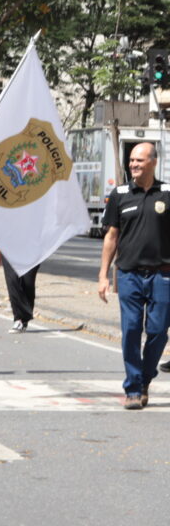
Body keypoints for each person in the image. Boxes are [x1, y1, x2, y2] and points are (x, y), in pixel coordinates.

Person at [97, 141, 170, 409]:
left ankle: (145, 378)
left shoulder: (167, 193)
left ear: (153, 162)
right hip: (128, 274)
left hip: (163, 275)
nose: (133, 165)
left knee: (159, 331)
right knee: (130, 329)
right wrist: (103, 275)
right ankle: (133, 387)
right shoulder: (120, 194)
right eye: (131, 161)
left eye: (139, 161)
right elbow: (111, 237)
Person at [0, 238, 37, 334]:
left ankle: (25, 317)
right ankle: (18, 319)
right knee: (12, 280)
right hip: (8, 244)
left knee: (28, 282)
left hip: (32, 245)